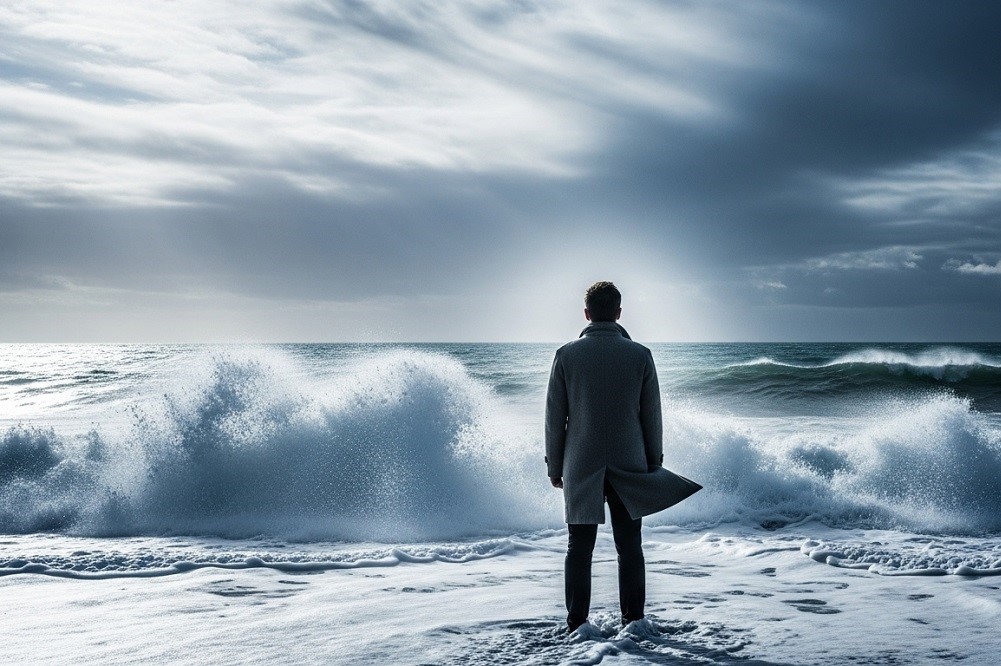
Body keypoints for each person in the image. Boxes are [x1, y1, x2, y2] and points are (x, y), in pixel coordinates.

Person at [545, 281, 701, 632]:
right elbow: (652, 416)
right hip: (630, 462)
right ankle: (634, 622)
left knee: (578, 548)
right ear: (618, 312)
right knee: (630, 546)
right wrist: (653, 462)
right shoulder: (640, 354)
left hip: (581, 462)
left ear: (586, 314)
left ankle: (577, 625)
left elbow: (555, 418)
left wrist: (555, 466)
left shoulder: (565, 355)